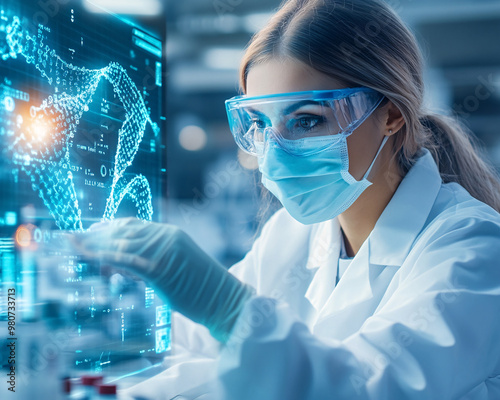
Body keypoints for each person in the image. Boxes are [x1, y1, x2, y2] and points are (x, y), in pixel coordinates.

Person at [75, 0, 500, 398]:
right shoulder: (293, 236)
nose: (273, 152)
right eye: (259, 123)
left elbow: (357, 389)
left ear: (389, 115)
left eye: (306, 121)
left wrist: (226, 309)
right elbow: (196, 354)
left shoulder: (473, 250)